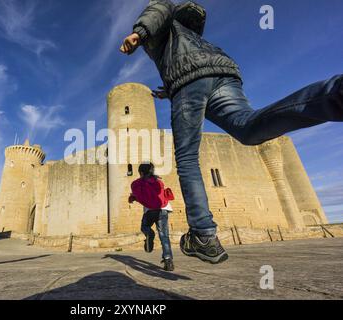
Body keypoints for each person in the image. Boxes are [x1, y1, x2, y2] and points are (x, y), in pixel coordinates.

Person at [120, 0, 343, 264]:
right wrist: (169, 89)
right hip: (223, 72)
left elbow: (161, 6)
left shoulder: (162, 23)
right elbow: (187, 57)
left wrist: (139, 33)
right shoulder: (190, 36)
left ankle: (203, 233)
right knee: (248, 127)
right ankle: (335, 94)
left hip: (190, 82)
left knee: (187, 159)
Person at [129, 162, 175, 271]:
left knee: (144, 227)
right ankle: (168, 261)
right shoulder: (158, 181)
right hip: (163, 210)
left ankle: (149, 233)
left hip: (150, 211)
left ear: (140, 172)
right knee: (164, 236)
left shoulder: (138, 183)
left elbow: (138, 195)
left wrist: (133, 198)